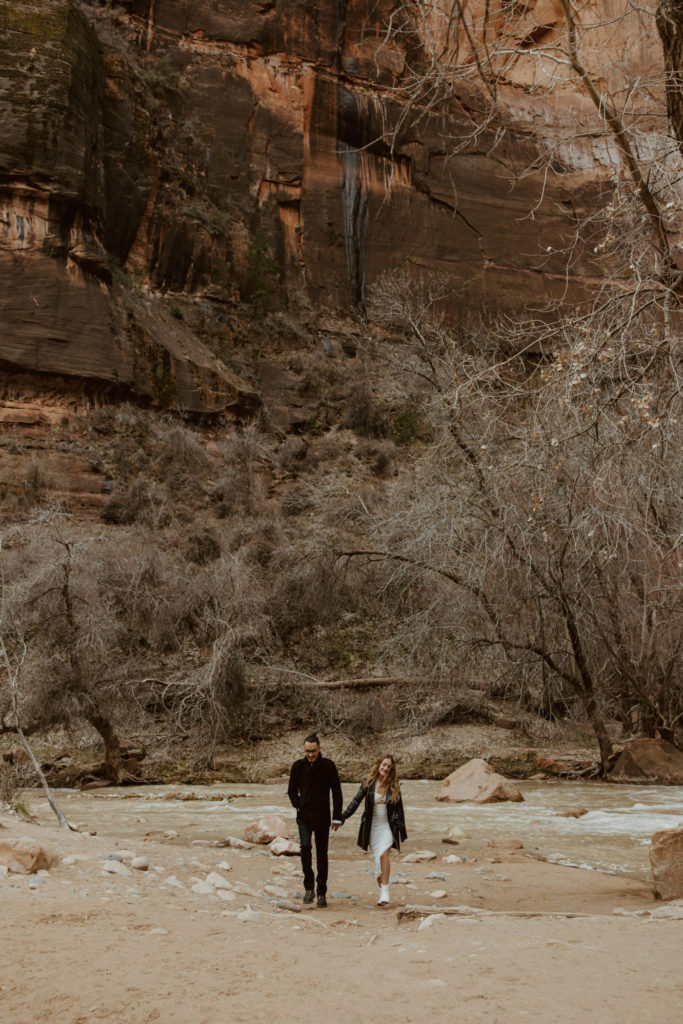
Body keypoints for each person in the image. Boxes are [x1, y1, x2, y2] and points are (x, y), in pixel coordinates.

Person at [340, 753, 407, 906]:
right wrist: (343, 817)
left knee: (384, 856)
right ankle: (382, 888)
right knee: (377, 863)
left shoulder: (394, 785)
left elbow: (400, 809)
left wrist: (402, 831)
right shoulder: (368, 782)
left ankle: (385, 892)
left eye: (389, 767)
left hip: (388, 826)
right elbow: (356, 801)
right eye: (384, 765)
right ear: (379, 765)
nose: (386, 768)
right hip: (372, 827)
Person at [287, 733, 342, 908]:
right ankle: (308, 888)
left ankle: (321, 893)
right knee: (305, 847)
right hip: (304, 816)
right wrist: (298, 805)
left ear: (319, 749)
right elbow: (291, 791)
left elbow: (337, 792)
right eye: (307, 751)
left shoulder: (328, 766)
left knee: (321, 855)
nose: (310, 754)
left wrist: (337, 817)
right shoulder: (298, 766)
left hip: (322, 817)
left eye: (313, 751)